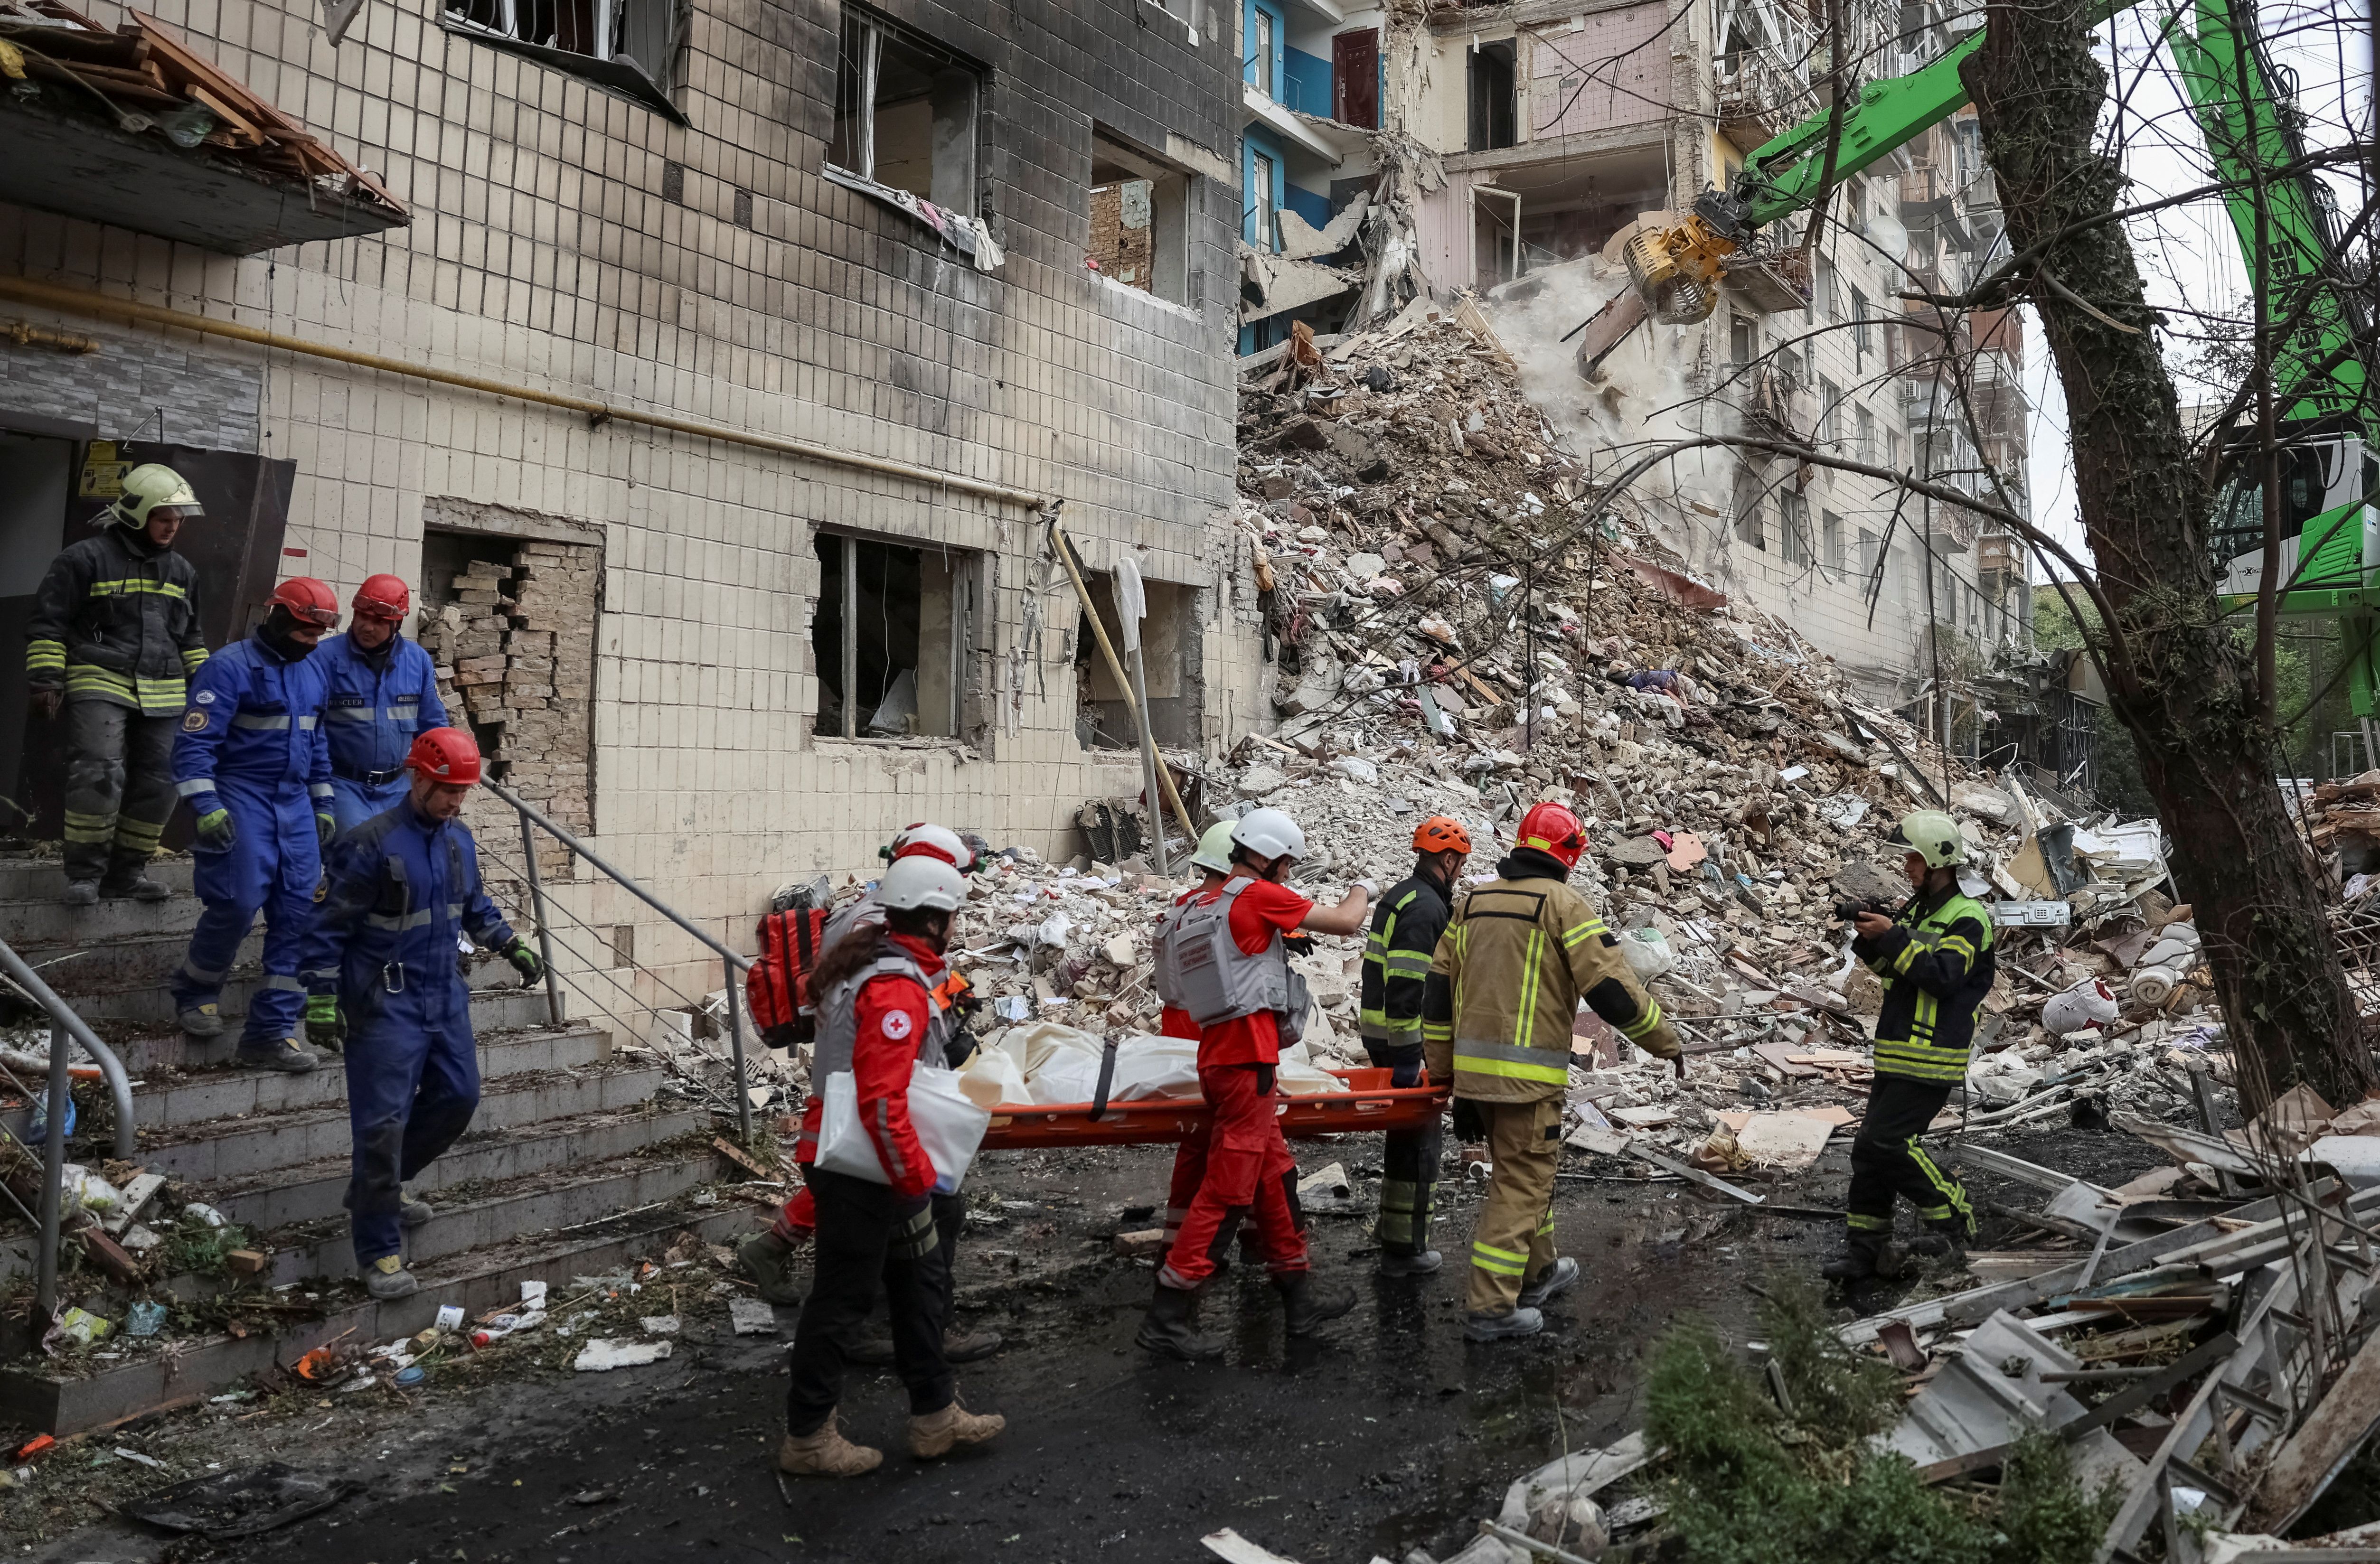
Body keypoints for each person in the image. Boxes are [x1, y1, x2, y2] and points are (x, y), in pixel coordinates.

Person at [780, 854, 1005, 1478]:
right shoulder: (895, 986)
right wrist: (916, 1177)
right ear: (933, 919)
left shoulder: (875, 960)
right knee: (843, 1299)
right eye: (952, 916)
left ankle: (935, 1413)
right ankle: (807, 1437)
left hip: (865, 1157)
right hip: (863, 1165)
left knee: (919, 1281)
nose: (956, 927)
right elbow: (882, 1101)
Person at [296, 728, 542, 1298]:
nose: (456, 801)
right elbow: (327, 929)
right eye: (448, 790)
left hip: (443, 996)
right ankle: (379, 1250)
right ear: (419, 778)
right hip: (385, 1004)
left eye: (463, 792)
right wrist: (323, 996)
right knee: (380, 1128)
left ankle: (381, 1187)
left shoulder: (460, 841)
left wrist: (510, 944)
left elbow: (473, 906)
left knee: (459, 1098)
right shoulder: (368, 845)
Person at [1424, 800, 1681, 1342]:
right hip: (1527, 1082)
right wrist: (1666, 1042)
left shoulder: (1471, 905)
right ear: (1571, 854)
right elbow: (1612, 990)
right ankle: (1491, 1306)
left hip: (1476, 1079)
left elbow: (1437, 995)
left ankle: (1538, 1272)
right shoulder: (1564, 905)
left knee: (1525, 1177)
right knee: (1522, 1183)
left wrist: (1444, 1073)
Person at [1135, 807, 1373, 1361]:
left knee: (1275, 1176)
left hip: (1223, 1058)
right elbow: (1347, 920)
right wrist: (1364, 885)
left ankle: (1299, 1295)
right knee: (1229, 1190)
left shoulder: (1203, 905)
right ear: (1264, 857)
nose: (1288, 874)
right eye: (1286, 864)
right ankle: (1169, 1311)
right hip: (1246, 1064)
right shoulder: (1256, 895)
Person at [739, 825, 988, 1317]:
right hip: (873, 1079)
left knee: (852, 1184)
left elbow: (922, 979)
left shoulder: (872, 915)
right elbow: (891, 991)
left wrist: (951, 995)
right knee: (892, 1199)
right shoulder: (876, 923)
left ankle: (780, 1253)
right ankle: (898, 1326)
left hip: (872, 1077)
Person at [168, 578, 343, 1067]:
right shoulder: (228, 668)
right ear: (280, 617)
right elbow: (194, 745)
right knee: (237, 902)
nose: (312, 642)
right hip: (241, 796)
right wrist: (207, 806)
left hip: (293, 806)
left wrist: (324, 804)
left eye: (319, 635)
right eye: (306, 631)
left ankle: (271, 1031)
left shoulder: (313, 674)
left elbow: (319, 746)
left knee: (302, 914)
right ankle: (195, 994)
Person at [27, 463, 209, 907]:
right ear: (135, 513)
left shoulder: (182, 571)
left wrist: (209, 693)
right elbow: (48, 624)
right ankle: (85, 876)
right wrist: (46, 679)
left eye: (178, 519)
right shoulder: (82, 559)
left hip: (164, 687)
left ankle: (128, 873)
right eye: (164, 517)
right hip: (99, 675)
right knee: (98, 769)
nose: (173, 527)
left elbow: (191, 638)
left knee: (163, 778)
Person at [1823, 809, 1992, 1287]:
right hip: (1899, 1051)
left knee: (1888, 1143)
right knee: (1869, 1152)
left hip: (1933, 1056)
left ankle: (1955, 1216)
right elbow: (1896, 972)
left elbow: (1942, 977)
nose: (1908, 866)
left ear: (1939, 861)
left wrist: (1893, 935)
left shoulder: (1969, 918)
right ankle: (1867, 1250)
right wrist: (1870, 938)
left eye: (1915, 858)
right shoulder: (1919, 913)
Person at [1359, 815, 1472, 1276]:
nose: (1461, 871)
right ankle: (1406, 1250)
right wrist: (1409, 1058)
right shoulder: (1426, 908)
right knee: (1422, 1142)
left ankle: (1394, 1235)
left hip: (1381, 1032)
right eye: (1460, 863)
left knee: (1404, 1137)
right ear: (1446, 859)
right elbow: (1407, 985)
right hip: (1404, 1039)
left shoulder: (1402, 893)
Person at [1152, 819, 1239, 1256]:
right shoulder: (1227, 909)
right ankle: (1243, 1240)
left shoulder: (1182, 907)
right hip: (1215, 1033)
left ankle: (1178, 1239)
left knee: (1195, 1141)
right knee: (1244, 1137)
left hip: (1178, 1034)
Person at [317, 575, 450, 834]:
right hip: (343, 787)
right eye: (361, 616)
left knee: (408, 861)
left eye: (379, 622)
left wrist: (443, 782)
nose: (367, 627)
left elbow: (433, 727)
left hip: (399, 788)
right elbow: (310, 731)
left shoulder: (417, 661)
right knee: (360, 860)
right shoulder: (322, 659)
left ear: (397, 623)